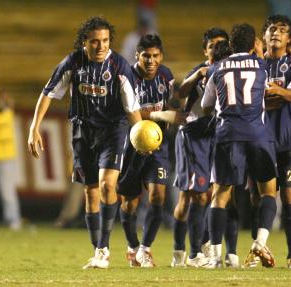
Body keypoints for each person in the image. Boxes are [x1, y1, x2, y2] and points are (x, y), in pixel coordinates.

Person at [27, 16, 142, 269]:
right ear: (84, 43)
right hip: (82, 131)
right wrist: (34, 127)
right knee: (90, 192)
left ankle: (103, 249)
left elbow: (132, 109)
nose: (101, 46)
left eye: (105, 41)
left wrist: (140, 138)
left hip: (112, 131)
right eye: (95, 42)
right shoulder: (73, 62)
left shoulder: (120, 68)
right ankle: (99, 250)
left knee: (107, 185)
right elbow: (47, 93)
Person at [202, 23, 278, 268]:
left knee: (220, 195)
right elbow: (268, 92)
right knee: (267, 191)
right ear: (253, 44)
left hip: (228, 135)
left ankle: (214, 255)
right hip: (257, 134)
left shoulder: (218, 68)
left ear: (231, 44)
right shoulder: (262, 66)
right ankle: (260, 241)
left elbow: (206, 104)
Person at [171, 28, 240, 268]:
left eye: (222, 44)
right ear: (205, 49)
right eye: (212, 45)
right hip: (194, 135)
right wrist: (197, 74)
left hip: (218, 136)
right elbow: (180, 93)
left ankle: (212, 249)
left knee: (219, 195)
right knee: (195, 196)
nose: (217, 49)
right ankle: (188, 253)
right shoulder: (202, 71)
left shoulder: (232, 71)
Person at [117, 34, 187, 268]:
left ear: (161, 57)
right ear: (137, 55)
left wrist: (175, 109)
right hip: (131, 146)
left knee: (158, 195)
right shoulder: (127, 77)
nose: (150, 60)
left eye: (155, 56)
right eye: (146, 56)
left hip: (158, 145)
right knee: (130, 201)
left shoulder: (166, 75)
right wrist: (161, 115)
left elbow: (171, 105)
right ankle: (132, 246)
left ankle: (145, 250)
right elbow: (131, 112)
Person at [262, 15, 291, 269]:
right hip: (262, 138)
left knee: (290, 194)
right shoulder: (257, 64)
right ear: (265, 36)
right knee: (263, 196)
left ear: (289, 38)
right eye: (272, 29)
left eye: (283, 30)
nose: (277, 33)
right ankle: (259, 248)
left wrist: (274, 90)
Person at [0, 78, 22, 230]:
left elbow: (2, 108)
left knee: (6, 191)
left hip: (4, 155)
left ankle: (13, 220)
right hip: (0, 154)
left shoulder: (4, 108)